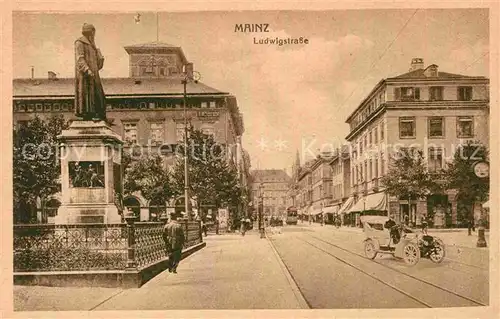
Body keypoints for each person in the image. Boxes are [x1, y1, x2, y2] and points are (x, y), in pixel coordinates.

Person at [75, 23, 106, 121]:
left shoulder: (93, 46)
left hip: (94, 75)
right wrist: (87, 70)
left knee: (100, 96)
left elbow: (98, 66)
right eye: (93, 33)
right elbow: (80, 59)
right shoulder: (79, 42)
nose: (94, 35)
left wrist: (100, 57)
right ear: (90, 32)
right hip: (85, 76)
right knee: (87, 96)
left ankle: (99, 115)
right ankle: (88, 115)